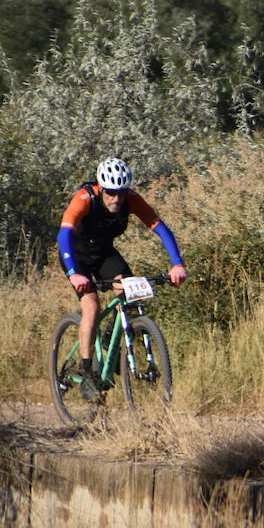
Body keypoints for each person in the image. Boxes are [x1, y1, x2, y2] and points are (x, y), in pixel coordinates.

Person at [58, 157, 188, 401]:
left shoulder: (132, 199)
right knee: (92, 307)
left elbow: (160, 227)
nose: (116, 199)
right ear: (101, 188)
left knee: (130, 294)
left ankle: (111, 339)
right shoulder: (85, 198)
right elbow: (63, 236)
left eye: (121, 192)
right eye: (110, 193)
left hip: (104, 254)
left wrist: (177, 264)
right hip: (76, 256)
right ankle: (87, 375)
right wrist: (74, 274)